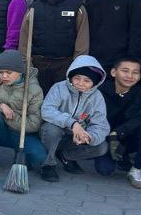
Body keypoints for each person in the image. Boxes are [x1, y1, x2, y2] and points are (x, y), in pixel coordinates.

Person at [0, 48, 46, 177]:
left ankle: (21, 155)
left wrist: (9, 115)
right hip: (1, 133)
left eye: (9, 72)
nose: (4, 76)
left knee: (40, 158)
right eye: (1, 72)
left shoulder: (34, 90)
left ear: (20, 71)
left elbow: (34, 125)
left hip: (23, 136)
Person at [38, 54, 108, 183]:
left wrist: (89, 136)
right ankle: (48, 164)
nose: (81, 83)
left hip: (74, 139)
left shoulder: (97, 97)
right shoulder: (59, 88)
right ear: (71, 76)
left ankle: (66, 156)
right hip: (53, 133)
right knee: (52, 129)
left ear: (95, 82)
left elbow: (101, 124)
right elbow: (47, 110)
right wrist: (72, 123)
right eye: (77, 78)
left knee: (101, 147)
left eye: (87, 81)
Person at [19, 0, 87, 94]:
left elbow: (82, 39)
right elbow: (24, 38)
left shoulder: (77, 7)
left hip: (65, 65)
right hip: (38, 64)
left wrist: (77, 65)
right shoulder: (34, 7)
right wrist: (27, 64)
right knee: (38, 101)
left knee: (61, 101)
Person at [98, 56, 141, 188]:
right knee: (105, 170)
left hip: (127, 137)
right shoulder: (101, 91)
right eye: (125, 71)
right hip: (106, 139)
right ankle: (117, 157)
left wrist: (118, 132)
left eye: (135, 72)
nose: (130, 76)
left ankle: (136, 170)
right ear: (114, 72)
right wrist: (110, 137)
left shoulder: (140, 93)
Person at [84, 0, 140, 75]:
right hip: (93, 61)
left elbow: (137, 34)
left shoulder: (130, 1)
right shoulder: (90, 2)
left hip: (120, 63)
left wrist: (133, 61)